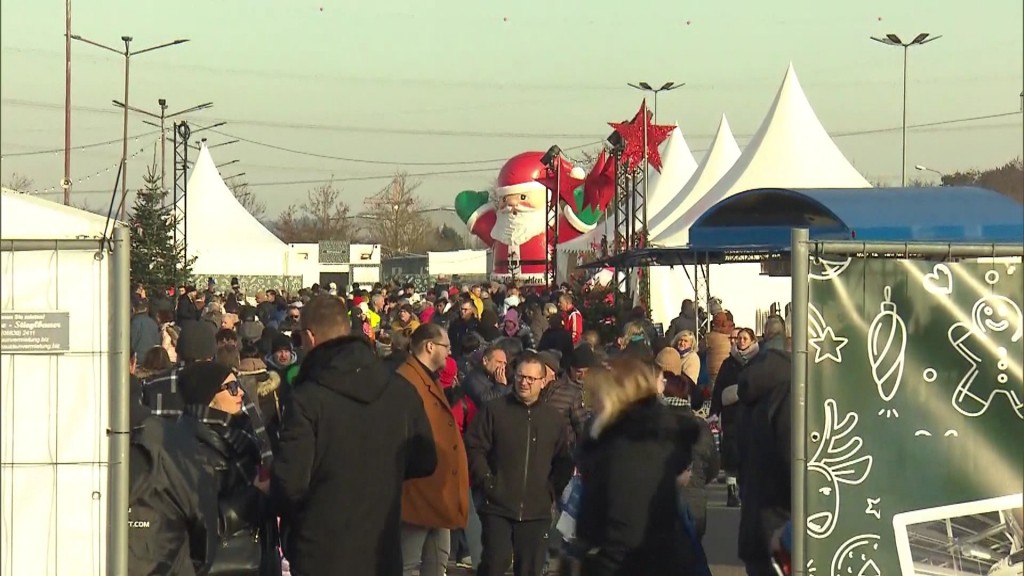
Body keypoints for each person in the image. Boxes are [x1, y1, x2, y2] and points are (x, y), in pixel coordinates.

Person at [272, 295, 438, 576]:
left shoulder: (306, 399)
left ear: (310, 336)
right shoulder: (399, 390)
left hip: (322, 549)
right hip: (380, 549)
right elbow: (425, 458)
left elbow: (290, 485)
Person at [576, 356, 701, 576]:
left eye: (595, 394)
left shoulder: (629, 447)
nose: (590, 402)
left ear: (615, 396)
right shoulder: (631, 436)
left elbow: (626, 530)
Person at [465, 351, 574, 576]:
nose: (524, 382)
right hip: (498, 505)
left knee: (529, 569)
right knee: (496, 562)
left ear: (542, 382)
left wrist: (550, 490)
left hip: (536, 510)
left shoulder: (552, 419)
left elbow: (563, 459)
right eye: (520, 376)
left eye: (531, 379)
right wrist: (487, 481)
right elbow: (474, 447)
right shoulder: (495, 410)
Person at [176, 360, 280, 575]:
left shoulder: (238, 434)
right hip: (225, 564)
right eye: (232, 388)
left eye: (238, 385)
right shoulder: (194, 448)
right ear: (208, 397)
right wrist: (255, 494)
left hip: (254, 557)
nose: (240, 392)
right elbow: (203, 523)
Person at [393, 323, 470, 576]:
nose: (449, 352)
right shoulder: (407, 380)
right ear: (429, 347)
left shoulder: (425, 377)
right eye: (446, 346)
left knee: (437, 563)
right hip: (418, 492)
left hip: (437, 492)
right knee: (410, 565)